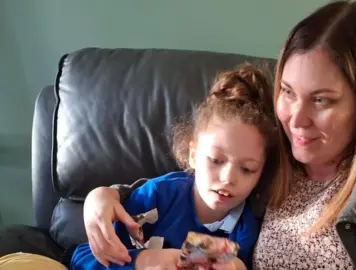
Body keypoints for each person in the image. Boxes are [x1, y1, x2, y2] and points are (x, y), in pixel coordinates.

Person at [81, 1, 356, 269]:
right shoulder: (274, 145)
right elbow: (182, 193)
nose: (295, 119)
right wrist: (104, 195)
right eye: (287, 92)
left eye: (322, 100)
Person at [70, 64, 278, 270]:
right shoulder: (158, 196)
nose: (228, 178)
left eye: (247, 169)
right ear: (193, 155)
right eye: (215, 160)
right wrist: (143, 261)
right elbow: (84, 258)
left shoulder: (244, 230)